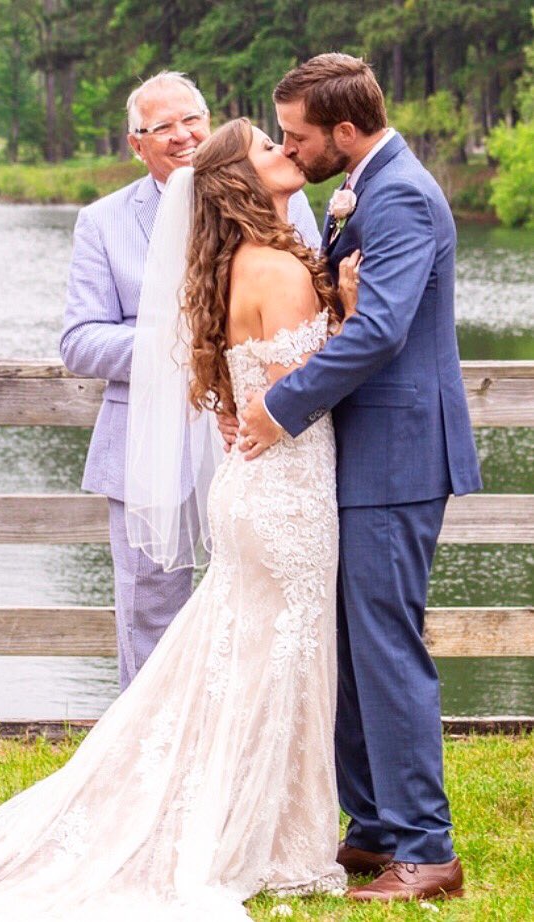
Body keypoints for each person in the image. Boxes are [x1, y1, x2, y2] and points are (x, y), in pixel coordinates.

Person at [0, 117, 361, 921]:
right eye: (268, 147)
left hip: (254, 490)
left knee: (246, 662)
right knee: (277, 660)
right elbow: (301, 394)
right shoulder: (278, 269)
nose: (285, 152)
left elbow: (248, 391)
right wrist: (345, 312)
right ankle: (267, 841)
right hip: (286, 494)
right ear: (241, 181)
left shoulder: (234, 264)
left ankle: (259, 826)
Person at [236, 54, 482, 902]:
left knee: (384, 646)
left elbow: (380, 331)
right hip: (365, 453)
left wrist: (280, 406)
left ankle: (428, 850)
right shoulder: (364, 189)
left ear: (345, 131)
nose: (289, 149)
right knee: (351, 644)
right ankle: (374, 828)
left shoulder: (401, 194)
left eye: (298, 136)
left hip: (399, 455)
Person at [60, 71, 321, 690]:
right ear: (136, 143)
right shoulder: (104, 223)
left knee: (260, 604)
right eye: (162, 127)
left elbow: (310, 301)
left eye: (192, 120)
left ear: (211, 121)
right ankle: (142, 762)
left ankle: (229, 745)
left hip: (259, 441)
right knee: (151, 609)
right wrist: (189, 353)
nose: (182, 136)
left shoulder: (284, 198)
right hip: (150, 448)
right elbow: (79, 341)